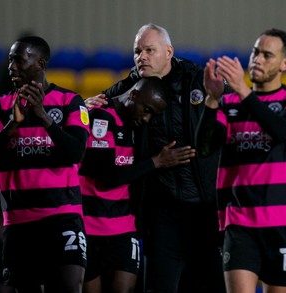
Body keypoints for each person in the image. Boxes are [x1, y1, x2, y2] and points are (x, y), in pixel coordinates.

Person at [85, 23, 229, 293]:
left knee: (213, 285)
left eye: (149, 50)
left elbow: (231, 115)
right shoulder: (127, 88)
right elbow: (97, 108)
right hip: (161, 210)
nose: (142, 57)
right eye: (137, 51)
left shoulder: (197, 78)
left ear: (169, 52)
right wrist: (83, 106)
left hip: (206, 206)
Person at [195, 28, 286, 293]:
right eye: (255, 52)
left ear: (285, 64)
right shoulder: (228, 103)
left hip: (284, 221)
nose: (257, 59)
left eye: (267, 55)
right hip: (240, 222)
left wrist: (242, 90)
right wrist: (212, 100)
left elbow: (282, 130)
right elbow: (204, 147)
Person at [0, 36, 89, 293]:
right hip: (19, 223)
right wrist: (12, 125)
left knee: (68, 287)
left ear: (40, 64)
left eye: (18, 60)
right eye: (9, 60)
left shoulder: (70, 101)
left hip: (63, 219)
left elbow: (76, 152)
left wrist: (43, 116)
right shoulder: (0, 105)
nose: (11, 67)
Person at [79, 76, 196, 293]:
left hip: (124, 225)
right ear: (133, 95)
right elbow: (108, 177)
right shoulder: (101, 117)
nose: (147, 118)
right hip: (90, 223)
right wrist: (157, 162)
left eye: (152, 114)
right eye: (147, 110)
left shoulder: (137, 125)